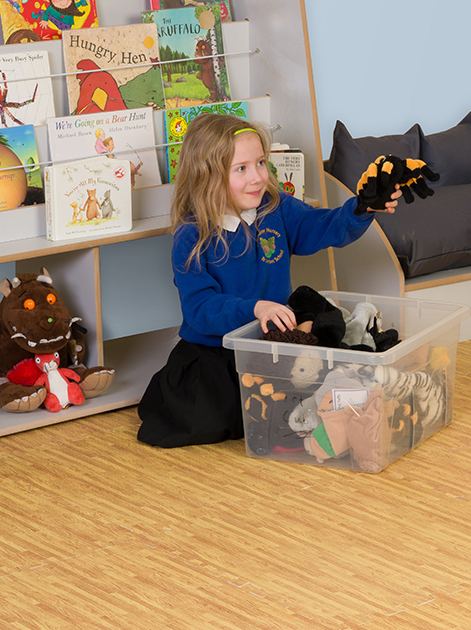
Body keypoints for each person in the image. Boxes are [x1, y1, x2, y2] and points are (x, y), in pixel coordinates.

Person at [137, 114, 399, 447]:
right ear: (207, 176)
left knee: (308, 401)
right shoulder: (192, 235)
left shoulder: (276, 208)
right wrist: (255, 308)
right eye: (241, 168)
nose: (258, 177)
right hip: (216, 354)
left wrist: (362, 208)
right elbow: (199, 308)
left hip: (274, 346)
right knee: (216, 421)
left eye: (261, 163)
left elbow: (322, 226)